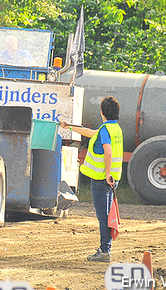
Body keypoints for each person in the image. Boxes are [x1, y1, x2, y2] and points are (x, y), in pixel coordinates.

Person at [60, 96, 123, 262]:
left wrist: (107, 174)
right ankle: (105, 249)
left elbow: (107, 152)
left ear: (102, 113)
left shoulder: (105, 130)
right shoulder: (114, 129)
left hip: (102, 178)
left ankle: (104, 251)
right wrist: (70, 127)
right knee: (107, 216)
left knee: (103, 217)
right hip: (111, 178)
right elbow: (91, 133)